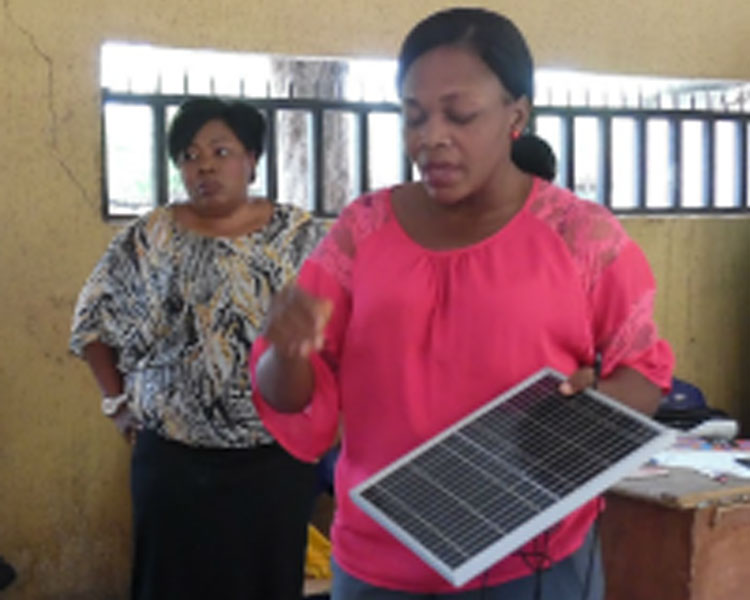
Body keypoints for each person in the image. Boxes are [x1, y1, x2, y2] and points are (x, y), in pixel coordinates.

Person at [251, 7, 674, 600]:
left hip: (535, 562)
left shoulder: (581, 237)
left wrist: (585, 416)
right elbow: (287, 396)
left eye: (460, 114)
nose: (431, 137)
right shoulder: (360, 234)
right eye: (414, 115)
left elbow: (645, 373)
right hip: (379, 564)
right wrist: (287, 351)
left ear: (516, 115)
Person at [70, 98, 326, 600]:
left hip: (273, 462)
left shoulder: (300, 235)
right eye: (189, 155)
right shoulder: (150, 236)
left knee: (265, 582)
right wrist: (116, 403)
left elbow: (337, 332)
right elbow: (90, 322)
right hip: (172, 462)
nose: (204, 165)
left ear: (252, 159)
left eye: (221, 151)